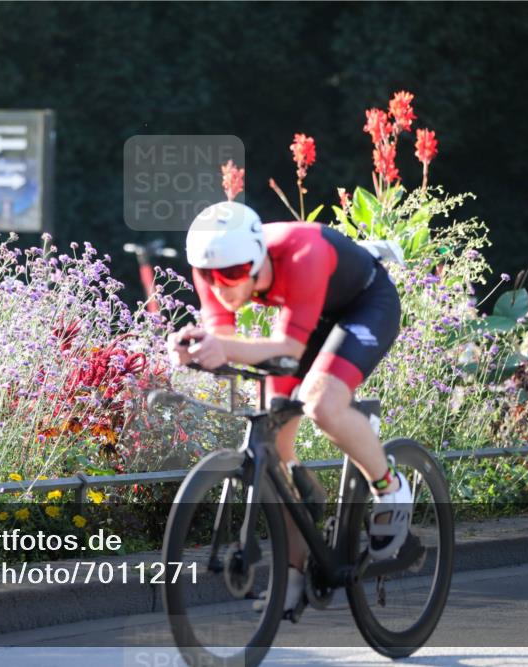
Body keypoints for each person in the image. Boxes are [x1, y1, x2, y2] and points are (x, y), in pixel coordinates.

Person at [167, 201, 412, 617]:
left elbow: (288, 349)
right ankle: (296, 576)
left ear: (258, 257)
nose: (220, 286)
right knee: (275, 444)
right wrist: (197, 351)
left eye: (232, 274)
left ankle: (390, 487)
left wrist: (222, 346)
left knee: (321, 404)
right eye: (209, 277)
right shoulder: (213, 267)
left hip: (363, 305)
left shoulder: (301, 253)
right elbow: (225, 340)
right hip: (308, 311)